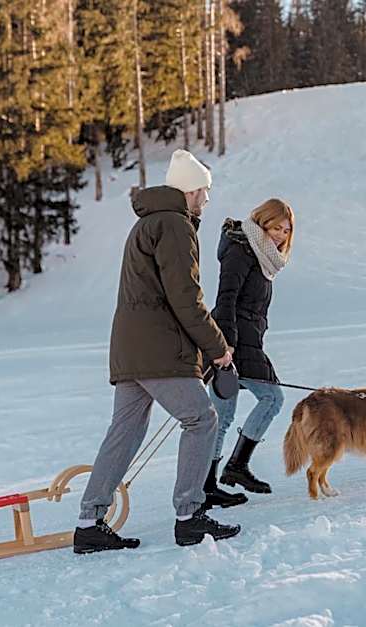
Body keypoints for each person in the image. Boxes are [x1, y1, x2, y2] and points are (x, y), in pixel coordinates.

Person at [74, 149, 242, 553]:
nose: (207, 198)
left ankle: (89, 523)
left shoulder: (150, 223)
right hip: (158, 347)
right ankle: (190, 516)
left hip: (133, 348)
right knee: (201, 419)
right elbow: (186, 297)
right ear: (192, 189)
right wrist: (218, 349)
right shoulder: (174, 225)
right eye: (205, 191)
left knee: (126, 431)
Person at [204, 199, 294, 507]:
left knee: (222, 416)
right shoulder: (241, 250)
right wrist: (226, 343)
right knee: (272, 399)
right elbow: (225, 298)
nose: (281, 236)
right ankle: (232, 469)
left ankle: (212, 481)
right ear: (262, 222)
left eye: (286, 230)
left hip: (247, 342)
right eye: (276, 227)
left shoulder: (260, 256)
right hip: (234, 344)